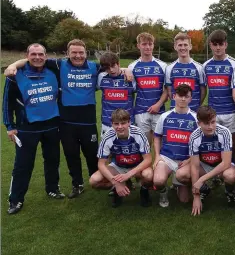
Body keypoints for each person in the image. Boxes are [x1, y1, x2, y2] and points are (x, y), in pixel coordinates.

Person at [5, 39, 102, 199]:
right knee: (71, 155)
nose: (77, 56)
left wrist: (127, 70)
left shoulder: (95, 67)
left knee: (92, 154)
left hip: (88, 121)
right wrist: (13, 65)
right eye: (74, 52)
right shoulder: (59, 65)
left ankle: (98, 180)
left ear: (86, 53)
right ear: (67, 53)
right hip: (65, 122)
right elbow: (34, 59)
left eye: (81, 52)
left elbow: (113, 67)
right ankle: (77, 184)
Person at [3, 43, 64, 214]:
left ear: (45, 56)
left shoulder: (54, 70)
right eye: (33, 54)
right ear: (27, 55)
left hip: (52, 124)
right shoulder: (15, 75)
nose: (37, 57)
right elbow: (6, 103)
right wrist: (10, 126)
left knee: (52, 160)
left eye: (41, 54)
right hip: (26, 128)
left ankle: (52, 188)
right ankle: (15, 200)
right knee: (22, 165)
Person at [179, 105, 235, 216]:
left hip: (221, 166)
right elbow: (195, 166)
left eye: (213, 122)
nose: (210, 126)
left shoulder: (224, 132)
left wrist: (201, 180)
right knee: (181, 174)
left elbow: (226, 163)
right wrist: (196, 196)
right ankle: (204, 190)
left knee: (230, 175)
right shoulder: (194, 137)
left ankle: (229, 192)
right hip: (205, 165)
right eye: (206, 123)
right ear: (199, 123)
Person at [88, 109, 153, 207]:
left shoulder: (138, 133)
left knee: (148, 175)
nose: (120, 127)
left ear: (129, 122)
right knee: (94, 180)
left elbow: (148, 159)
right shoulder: (107, 136)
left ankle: (144, 191)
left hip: (136, 165)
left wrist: (129, 175)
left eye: (123, 123)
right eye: (116, 124)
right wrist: (116, 183)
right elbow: (101, 164)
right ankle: (118, 188)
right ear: (112, 124)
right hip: (118, 166)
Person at [152, 84, 198, 207]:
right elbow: (157, 136)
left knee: (184, 200)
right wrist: (157, 156)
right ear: (174, 96)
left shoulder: (195, 118)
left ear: (190, 99)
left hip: (185, 161)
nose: (183, 99)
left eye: (186, 96)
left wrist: (189, 160)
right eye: (180, 96)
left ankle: (178, 183)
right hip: (167, 158)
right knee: (158, 180)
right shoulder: (164, 116)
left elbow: (200, 143)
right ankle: (163, 191)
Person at [203, 30, 235, 161]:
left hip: (231, 112)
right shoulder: (206, 66)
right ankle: (216, 176)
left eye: (221, 44)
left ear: (226, 44)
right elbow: (203, 89)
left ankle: (232, 175)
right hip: (213, 112)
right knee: (215, 145)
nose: (218, 47)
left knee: (233, 145)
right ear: (211, 45)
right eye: (215, 44)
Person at [128, 32, 169, 147]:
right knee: (143, 147)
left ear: (153, 45)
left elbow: (167, 89)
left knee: (160, 147)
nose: (147, 47)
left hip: (159, 111)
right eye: (144, 44)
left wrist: (158, 104)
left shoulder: (162, 66)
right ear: (138, 46)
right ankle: (146, 165)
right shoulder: (132, 66)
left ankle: (158, 165)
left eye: (150, 44)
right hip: (141, 112)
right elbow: (131, 89)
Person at [97, 51, 136, 136]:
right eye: (107, 68)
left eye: (113, 66)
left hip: (127, 124)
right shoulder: (101, 78)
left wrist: (127, 70)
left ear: (118, 64)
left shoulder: (130, 77)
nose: (111, 70)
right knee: (108, 148)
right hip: (108, 123)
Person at [165, 32, 206, 112]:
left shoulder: (199, 68)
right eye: (180, 45)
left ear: (190, 46)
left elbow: (203, 91)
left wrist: (196, 104)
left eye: (185, 45)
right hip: (175, 111)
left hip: (193, 111)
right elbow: (169, 91)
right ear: (175, 47)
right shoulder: (169, 68)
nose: (183, 48)